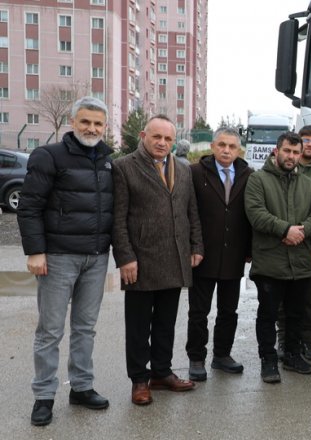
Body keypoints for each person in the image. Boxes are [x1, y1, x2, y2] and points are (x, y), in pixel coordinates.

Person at [18, 97, 114, 426]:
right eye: (85, 122)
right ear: (73, 122)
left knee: (85, 328)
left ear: (105, 127)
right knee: (50, 330)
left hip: (97, 257)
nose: (92, 128)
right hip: (58, 257)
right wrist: (35, 251)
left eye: (98, 124)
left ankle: (82, 387)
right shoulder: (49, 156)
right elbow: (29, 206)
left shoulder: (107, 160)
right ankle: (44, 396)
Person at [112, 115, 204, 406]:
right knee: (139, 325)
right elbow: (118, 219)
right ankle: (140, 379)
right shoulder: (124, 167)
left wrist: (196, 245)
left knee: (166, 322)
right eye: (157, 137)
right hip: (140, 260)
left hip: (175, 257)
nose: (162, 143)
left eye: (168, 139)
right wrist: (125, 257)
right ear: (143, 135)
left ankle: (162, 372)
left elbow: (191, 211)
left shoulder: (183, 168)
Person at [244, 132, 311, 383]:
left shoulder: (307, 184)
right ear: (276, 151)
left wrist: (302, 232)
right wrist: (285, 230)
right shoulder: (258, 180)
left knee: (296, 313)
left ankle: (292, 355)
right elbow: (256, 214)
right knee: (268, 315)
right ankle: (268, 360)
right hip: (270, 263)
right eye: (287, 151)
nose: (291, 156)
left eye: (296, 152)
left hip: (299, 262)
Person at [185, 128, 254, 381]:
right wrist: (194, 246)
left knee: (229, 311)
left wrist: (248, 250)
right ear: (213, 146)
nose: (226, 151)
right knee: (198, 311)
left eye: (232, 147)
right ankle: (196, 358)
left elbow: (250, 215)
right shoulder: (194, 173)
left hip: (234, 255)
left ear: (239, 150)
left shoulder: (248, 175)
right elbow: (188, 213)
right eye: (222, 145)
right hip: (203, 254)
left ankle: (222, 355)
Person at [276, 125, 311, 360]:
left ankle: (307, 341)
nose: (309, 145)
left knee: (309, 300)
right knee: (282, 302)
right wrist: (285, 231)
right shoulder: (282, 169)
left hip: (308, 246)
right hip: (280, 243)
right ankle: (284, 341)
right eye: (305, 140)